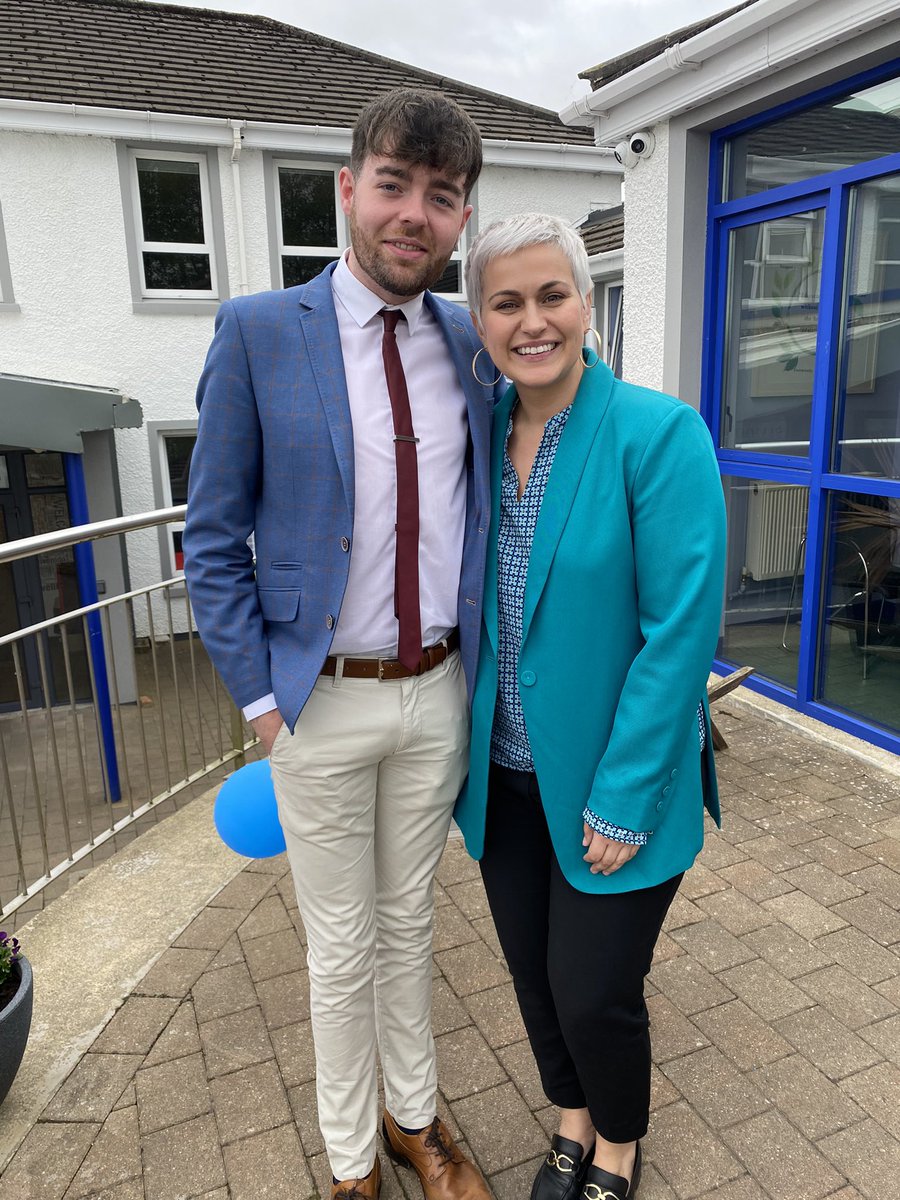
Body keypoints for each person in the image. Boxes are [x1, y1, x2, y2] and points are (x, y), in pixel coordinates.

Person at [183, 89, 498, 1200]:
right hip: (316, 700)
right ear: (349, 189)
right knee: (340, 947)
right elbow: (211, 540)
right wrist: (262, 706)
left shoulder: (470, 340)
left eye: (444, 197)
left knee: (412, 926)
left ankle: (418, 1122)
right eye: (398, 186)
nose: (416, 214)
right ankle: (350, 1164)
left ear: (462, 217)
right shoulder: (262, 331)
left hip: (436, 695)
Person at [453, 213, 727, 1200]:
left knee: (595, 989)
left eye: (551, 295)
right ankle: (570, 1115)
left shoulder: (657, 435)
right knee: (532, 974)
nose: (533, 321)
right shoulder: (477, 437)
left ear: (586, 304)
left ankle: (617, 1143)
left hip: (614, 783)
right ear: (480, 320)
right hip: (504, 778)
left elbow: (681, 630)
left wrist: (624, 792)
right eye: (506, 302)